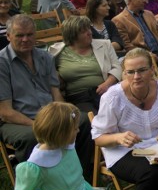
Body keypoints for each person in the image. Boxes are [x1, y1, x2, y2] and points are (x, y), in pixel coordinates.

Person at [0, 15, 94, 180]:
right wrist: (40, 125)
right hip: (16, 120)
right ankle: (39, 183)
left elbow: (56, 94)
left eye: (30, 34)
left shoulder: (45, 57)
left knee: (83, 120)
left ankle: (82, 176)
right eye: (19, 35)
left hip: (48, 114)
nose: (25, 39)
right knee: (32, 137)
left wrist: (67, 114)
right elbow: (6, 112)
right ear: (8, 36)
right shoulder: (2, 63)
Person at [91, 48, 158, 190]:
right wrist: (118, 138)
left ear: (152, 70)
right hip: (122, 151)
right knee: (150, 175)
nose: (136, 76)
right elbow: (98, 138)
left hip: (156, 145)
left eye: (141, 70)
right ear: (124, 73)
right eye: (130, 72)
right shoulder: (113, 97)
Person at [14, 102, 107, 190]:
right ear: (61, 134)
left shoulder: (66, 144)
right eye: (75, 128)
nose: (78, 130)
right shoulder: (36, 165)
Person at [49, 16, 121, 113]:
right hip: (79, 97)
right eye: (84, 31)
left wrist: (107, 84)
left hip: (105, 91)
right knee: (95, 118)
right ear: (72, 35)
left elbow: (117, 67)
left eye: (89, 28)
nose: (90, 33)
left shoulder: (105, 45)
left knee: (118, 112)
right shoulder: (56, 52)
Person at [112, 0, 158, 68]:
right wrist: (147, 55)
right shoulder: (119, 20)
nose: (144, 0)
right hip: (142, 56)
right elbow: (127, 46)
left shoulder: (149, 14)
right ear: (130, 1)